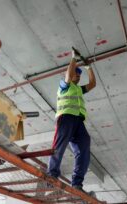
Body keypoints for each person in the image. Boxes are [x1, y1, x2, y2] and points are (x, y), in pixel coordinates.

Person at [47, 49, 96, 191]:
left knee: (84, 147)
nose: (79, 77)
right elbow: (68, 75)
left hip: (78, 122)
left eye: (80, 76)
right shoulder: (64, 86)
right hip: (66, 118)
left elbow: (92, 83)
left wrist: (88, 67)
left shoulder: (79, 89)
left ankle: (77, 183)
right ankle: (52, 174)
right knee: (59, 146)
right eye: (77, 74)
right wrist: (74, 59)